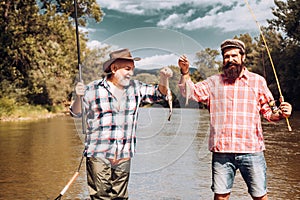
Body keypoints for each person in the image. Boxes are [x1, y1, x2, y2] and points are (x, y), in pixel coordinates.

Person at [178, 39, 292, 200]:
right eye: (226, 56)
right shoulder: (213, 82)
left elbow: (269, 113)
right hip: (222, 151)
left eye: (234, 55)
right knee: (221, 196)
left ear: (242, 57)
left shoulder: (258, 81)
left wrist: (282, 113)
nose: (230, 59)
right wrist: (185, 73)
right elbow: (189, 93)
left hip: (252, 150)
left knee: (260, 196)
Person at [70, 48, 173, 199]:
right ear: (114, 68)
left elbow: (160, 94)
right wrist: (78, 97)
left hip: (124, 154)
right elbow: (75, 113)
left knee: (120, 198)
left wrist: (164, 78)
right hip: (99, 153)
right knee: (100, 197)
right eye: (127, 69)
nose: (131, 73)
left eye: (132, 69)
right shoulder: (93, 88)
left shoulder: (136, 87)